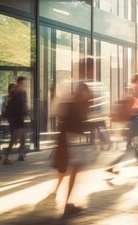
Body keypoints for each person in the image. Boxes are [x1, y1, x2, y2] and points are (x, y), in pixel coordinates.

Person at [51, 82, 92, 216]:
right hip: (73, 139)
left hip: (68, 138)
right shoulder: (79, 104)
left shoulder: (71, 103)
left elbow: (61, 118)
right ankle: (67, 204)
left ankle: (61, 196)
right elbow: (81, 120)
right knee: (74, 169)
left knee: (67, 168)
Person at [107, 74, 138, 175]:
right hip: (133, 121)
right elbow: (131, 106)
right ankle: (112, 166)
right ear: (137, 81)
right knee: (134, 146)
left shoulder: (131, 89)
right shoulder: (134, 90)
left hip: (132, 120)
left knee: (134, 146)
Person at [3, 77, 28, 164]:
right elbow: (9, 105)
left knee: (22, 138)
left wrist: (26, 110)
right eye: (22, 84)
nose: (24, 85)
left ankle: (19, 154)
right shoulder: (14, 93)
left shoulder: (23, 93)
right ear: (18, 84)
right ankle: (6, 157)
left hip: (19, 117)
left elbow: (24, 104)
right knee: (15, 138)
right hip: (14, 118)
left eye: (25, 84)